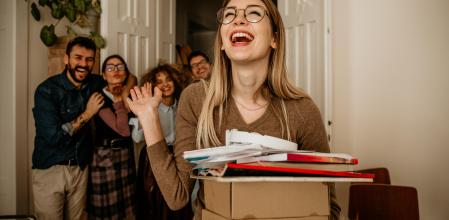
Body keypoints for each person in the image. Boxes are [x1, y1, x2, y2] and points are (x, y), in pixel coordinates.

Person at [127, 0, 341, 219]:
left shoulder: (302, 109)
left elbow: (327, 206)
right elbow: (178, 196)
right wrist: (149, 118)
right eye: (230, 14)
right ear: (221, 41)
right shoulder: (195, 99)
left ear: (274, 38)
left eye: (254, 13)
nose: (238, 19)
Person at [32, 37, 105, 219]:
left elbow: (125, 77)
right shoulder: (46, 91)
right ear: (66, 59)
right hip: (50, 169)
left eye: (89, 59)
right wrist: (88, 114)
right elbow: (53, 137)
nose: (83, 64)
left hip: (80, 168)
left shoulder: (94, 83)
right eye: (78, 58)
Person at [135, 64, 193, 220]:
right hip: (154, 159)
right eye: (159, 81)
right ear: (153, 86)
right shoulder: (150, 108)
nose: (165, 84)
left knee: (179, 198)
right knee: (156, 203)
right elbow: (136, 137)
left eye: (168, 79)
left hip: (179, 156)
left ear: (175, 81)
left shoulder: (184, 105)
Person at [86, 55, 137, 219]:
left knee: (127, 207)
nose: (115, 71)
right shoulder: (98, 97)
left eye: (120, 67)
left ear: (126, 73)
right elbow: (123, 130)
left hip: (126, 155)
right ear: (103, 75)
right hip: (104, 158)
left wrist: (124, 93)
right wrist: (118, 100)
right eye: (110, 67)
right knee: (107, 210)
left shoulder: (130, 94)